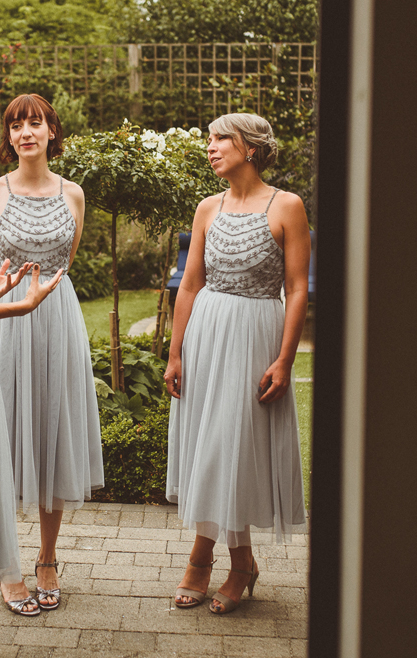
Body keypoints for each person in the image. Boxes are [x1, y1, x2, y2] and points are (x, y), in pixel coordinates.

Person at [163, 112, 310, 615]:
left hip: (255, 338)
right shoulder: (207, 207)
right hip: (207, 332)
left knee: (235, 445)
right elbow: (189, 284)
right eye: (210, 138)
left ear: (250, 147)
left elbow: (296, 289)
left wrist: (285, 360)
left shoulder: (287, 206)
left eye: (221, 137)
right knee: (211, 444)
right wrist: (176, 350)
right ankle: (236, 561)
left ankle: (206, 559)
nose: (211, 146)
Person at [0, 93, 104, 611]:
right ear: (7, 137)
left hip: (57, 322)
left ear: (53, 131)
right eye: (15, 125)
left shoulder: (73, 194)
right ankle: (7, 567)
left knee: (52, 436)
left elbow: (63, 265)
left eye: (36, 122)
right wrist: (12, 303)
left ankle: (47, 557)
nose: (26, 132)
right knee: (2, 443)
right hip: (6, 322)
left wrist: (41, 299)